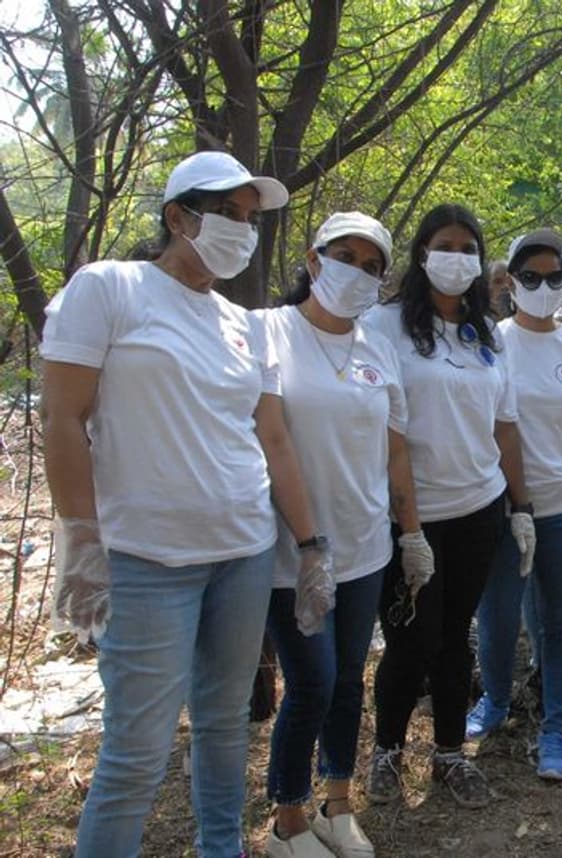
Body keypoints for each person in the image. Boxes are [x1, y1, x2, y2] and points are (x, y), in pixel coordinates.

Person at [42, 150, 326, 858]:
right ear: (178, 217)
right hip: (146, 560)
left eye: (250, 218)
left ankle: (221, 847)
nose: (242, 230)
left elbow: (272, 440)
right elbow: (63, 418)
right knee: (136, 750)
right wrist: (81, 538)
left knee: (226, 724)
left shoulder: (244, 324)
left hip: (242, 553)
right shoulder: (110, 288)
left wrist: (311, 546)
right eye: (227, 213)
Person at [256, 211, 418, 858]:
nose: (358, 273)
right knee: (312, 682)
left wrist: (411, 534)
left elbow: (396, 451)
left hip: (365, 548)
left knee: (349, 678)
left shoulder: (378, 349)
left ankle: (338, 803)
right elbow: (271, 440)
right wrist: (307, 545)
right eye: (345, 257)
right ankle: (288, 820)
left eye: (373, 266)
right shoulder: (270, 332)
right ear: (314, 258)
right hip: (291, 553)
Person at [362, 204, 529, 810]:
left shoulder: (487, 333)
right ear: (422, 253)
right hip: (411, 516)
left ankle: (450, 754)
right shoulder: (383, 326)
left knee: (457, 636)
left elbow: (505, 426)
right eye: (446, 245)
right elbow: (385, 430)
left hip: (478, 509)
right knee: (411, 640)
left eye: (469, 248)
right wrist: (409, 530)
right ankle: (387, 751)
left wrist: (521, 506)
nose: (457, 258)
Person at [466, 228, 562, 782]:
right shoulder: (488, 342)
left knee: (561, 622)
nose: (544, 287)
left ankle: (555, 725)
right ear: (510, 282)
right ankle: (496, 700)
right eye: (531, 277)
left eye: (555, 277)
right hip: (502, 508)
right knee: (498, 616)